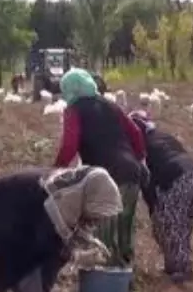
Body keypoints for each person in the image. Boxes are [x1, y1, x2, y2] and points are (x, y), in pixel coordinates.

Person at [0, 166, 122, 292]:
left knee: (55, 256)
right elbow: (48, 242)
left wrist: (89, 241)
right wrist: (79, 256)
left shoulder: (77, 192)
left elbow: (72, 232)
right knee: (26, 263)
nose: (98, 218)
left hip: (27, 214)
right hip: (6, 212)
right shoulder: (59, 202)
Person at [54, 68, 147, 270]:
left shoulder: (74, 110)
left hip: (106, 180)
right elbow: (136, 132)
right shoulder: (111, 105)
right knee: (125, 231)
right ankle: (125, 281)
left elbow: (70, 145)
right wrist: (139, 160)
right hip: (132, 173)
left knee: (104, 237)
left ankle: (105, 288)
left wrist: (56, 171)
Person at [129, 111, 193, 283]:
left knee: (169, 225)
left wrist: (153, 208)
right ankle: (178, 265)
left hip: (177, 178)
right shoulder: (162, 136)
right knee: (183, 224)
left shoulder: (141, 147)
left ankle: (180, 270)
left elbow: (146, 180)